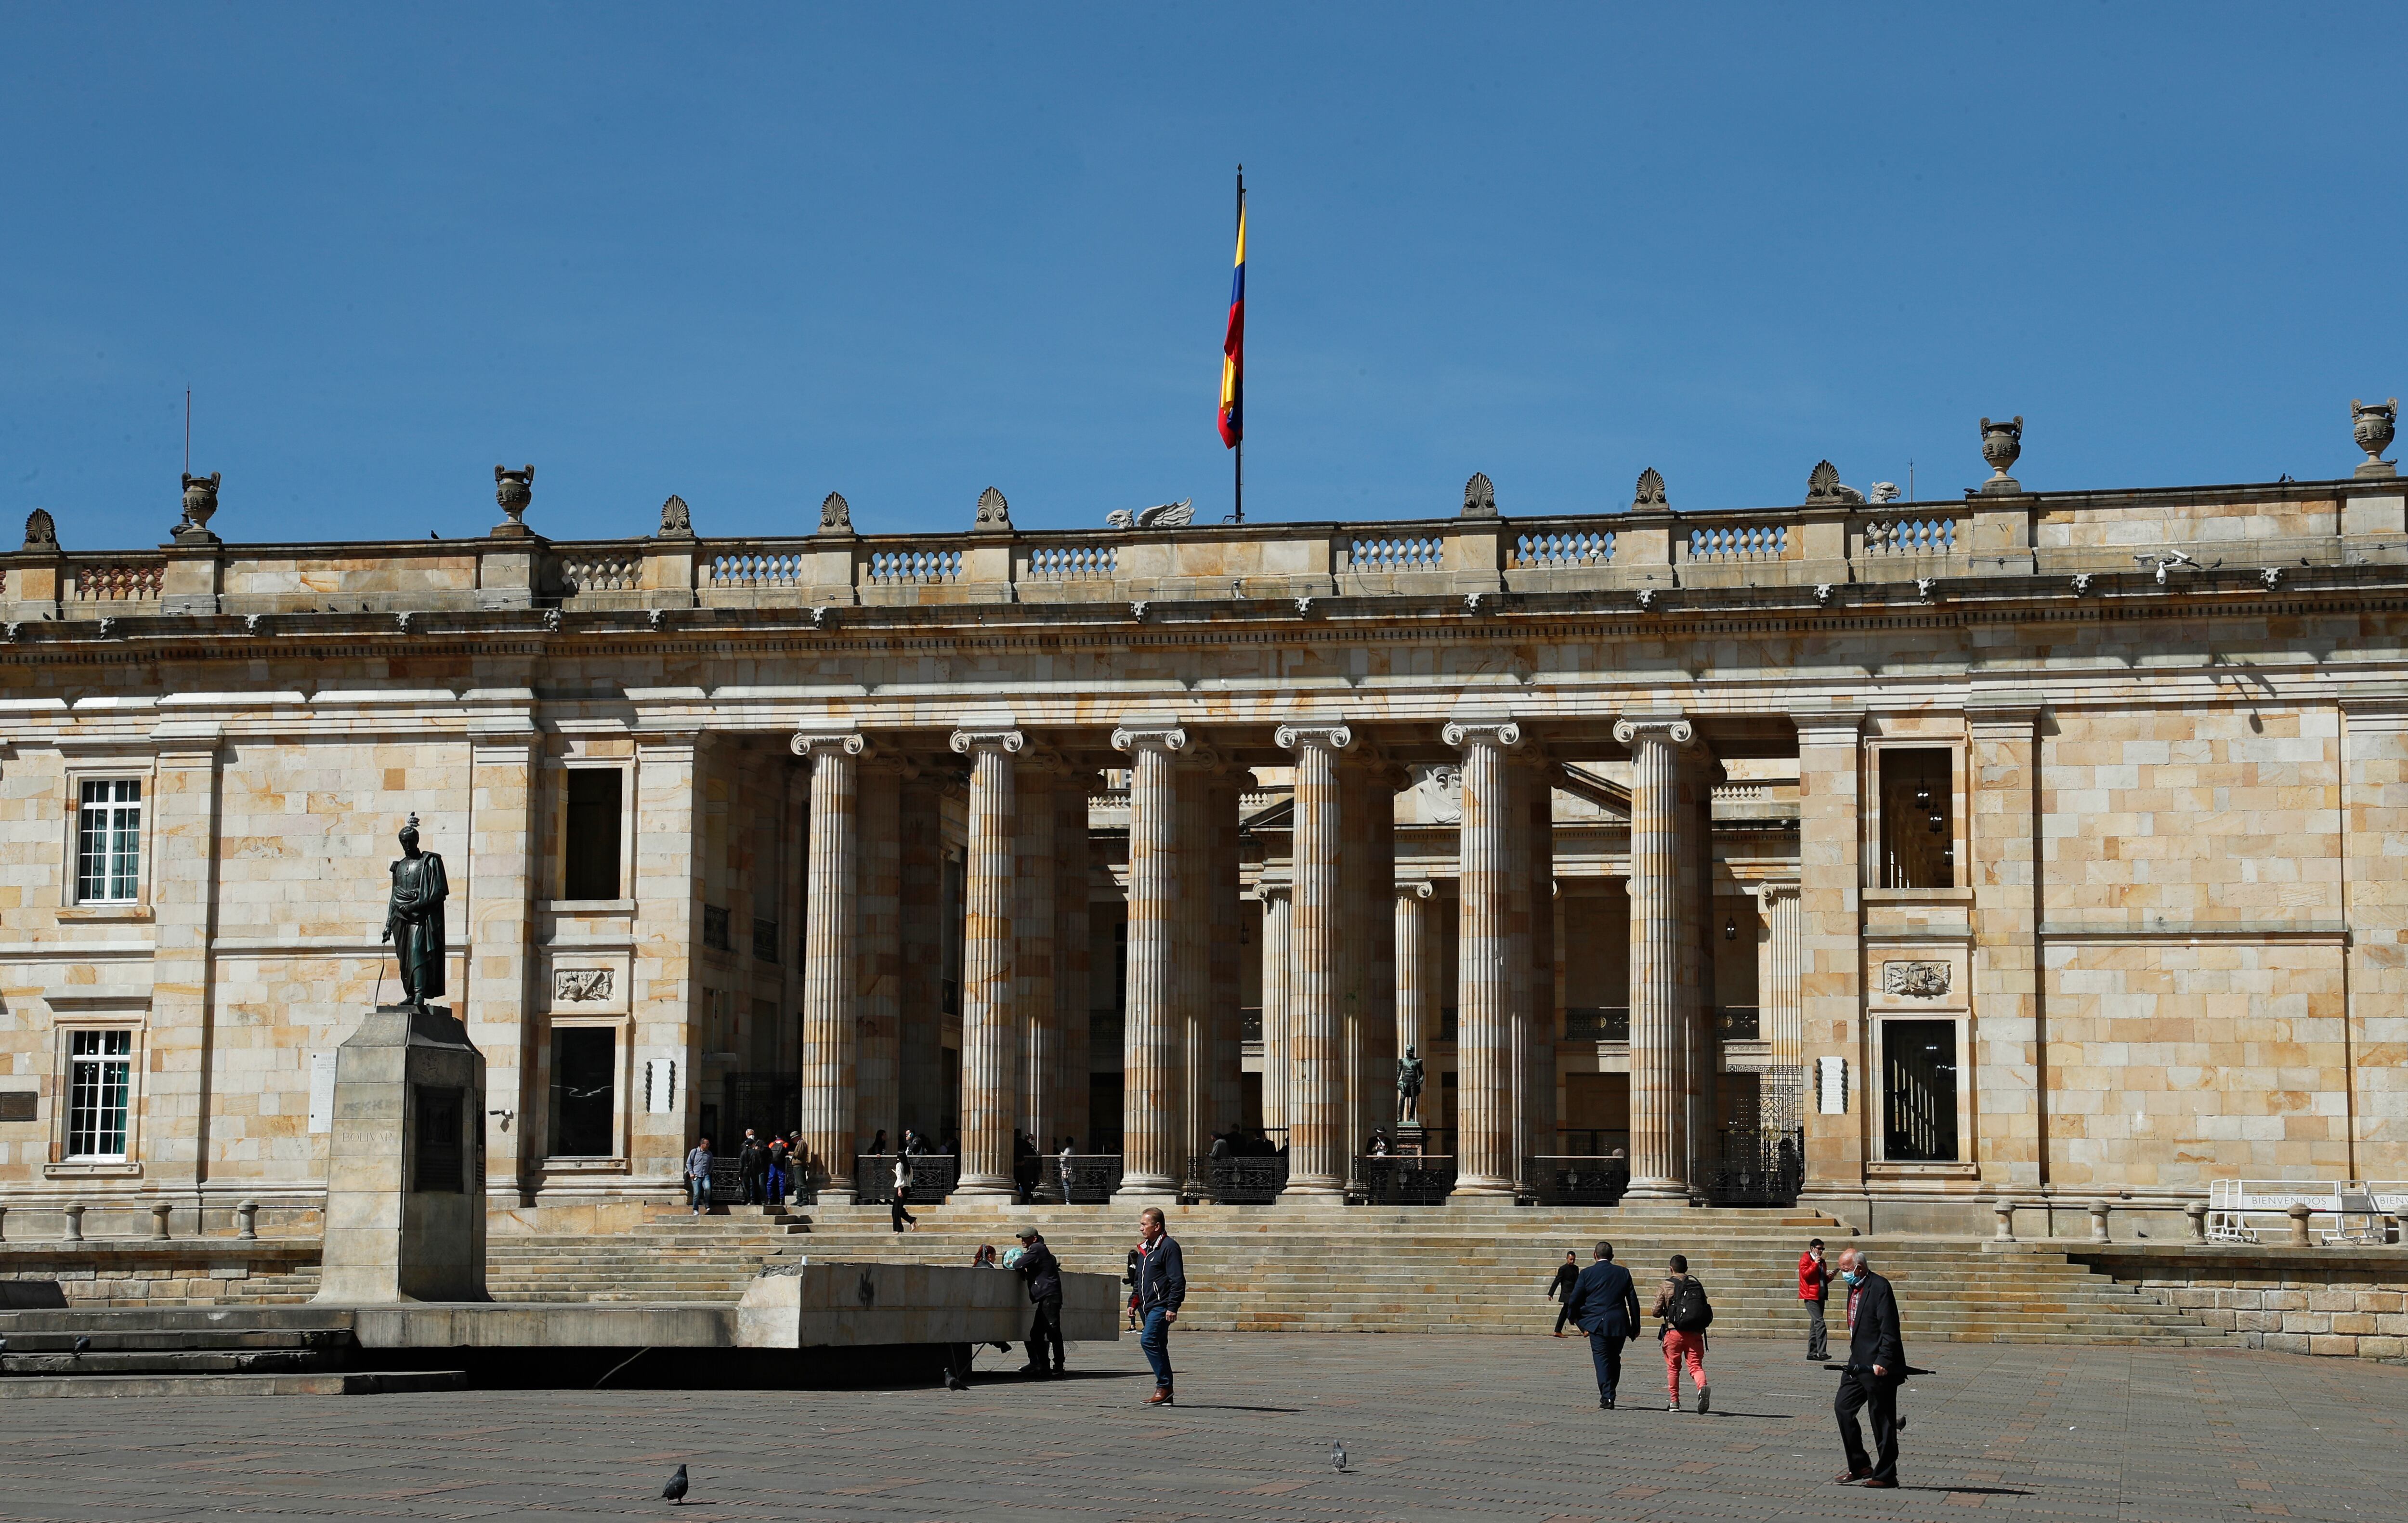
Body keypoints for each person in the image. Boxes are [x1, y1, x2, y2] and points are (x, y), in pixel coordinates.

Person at [1832, 1247, 1906, 1488]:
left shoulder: (1880, 1287)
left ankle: (1886, 1475)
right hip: (1857, 1362)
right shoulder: (1854, 1287)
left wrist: (1884, 1360)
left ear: (1859, 1268)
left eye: (1845, 1270)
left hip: (1877, 1365)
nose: (1843, 1274)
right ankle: (1860, 1465)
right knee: (1843, 1408)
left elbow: (1890, 1328)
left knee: (1881, 1419)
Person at [1561, 1241, 1642, 1409]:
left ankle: (1608, 1396)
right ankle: (1610, 1391)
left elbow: (1575, 1298)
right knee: (1615, 1359)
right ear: (1612, 1257)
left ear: (1595, 1255)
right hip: (1619, 1323)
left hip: (1596, 1323)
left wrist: (1573, 1317)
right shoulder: (1623, 1273)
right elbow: (1633, 1300)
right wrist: (1636, 1325)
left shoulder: (1587, 1273)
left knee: (1601, 1359)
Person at [1134, 1205, 1185, 1405]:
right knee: (1159, 1345)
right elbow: (1139, 1278)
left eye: (1144, 1224)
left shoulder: (1169, 1247)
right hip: (1146, 1307)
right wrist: (1134, 1301)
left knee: (1148, 1341)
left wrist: (1173, 1306)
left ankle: (1163, 1386)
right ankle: (1167, 1392)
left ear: (1157, 1226)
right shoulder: (1145, 1249)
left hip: (1161, 1305)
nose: (1141, 1228)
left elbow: (1177, 1280)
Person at [1652, 1253, 1713, 1414]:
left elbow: (1655, 1311)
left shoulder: (1666, 1285)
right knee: (1696, 1366)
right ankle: (1702, 1388)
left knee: (1673, 1367)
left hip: (1674, 1332)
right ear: (1686, 1269)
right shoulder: (1696, 1285)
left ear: (1671, 1269)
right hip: (1694, 1332)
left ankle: (1674, 1403)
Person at [1014, 1226, 1065, 1377]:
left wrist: (1024, 1268)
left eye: (1025, 1238)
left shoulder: (1036, 1248)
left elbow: (1017, 1264)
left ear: (1034, 1238)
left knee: (1052, 1332)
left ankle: (1055, 1366)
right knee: (1039, 1333)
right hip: (1048, 1296)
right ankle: (1047, 1365)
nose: (1022, 1240)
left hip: (1049, 1296)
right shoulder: (1040, 1249)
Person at [1798, 1237, 1832, 1361]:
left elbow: (1821, 1280)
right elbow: (1806, 1275)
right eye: (1819, 1248)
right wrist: (1814, 1264)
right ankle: (1822, 1352)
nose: (1821, 1251)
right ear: (1812, 1248)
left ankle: (1812, 1353)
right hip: (1810, 1297)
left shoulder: (1822, 1262)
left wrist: (1830, 1277)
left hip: (1820, 1295)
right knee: (1820, 1323)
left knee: (1815, 1326)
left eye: (1823, 1249)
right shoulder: (1806, 1260)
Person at [1547, 1251, 1581, 1338]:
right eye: (1571, 1259)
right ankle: (1583, 1329)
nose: (1572, 1261)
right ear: (1567, 1259)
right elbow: (1557, 1281)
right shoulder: (1563, 1269)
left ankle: (1558, 1331)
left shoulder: (1576, 1268)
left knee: (1565, 1312)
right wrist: (1551, 1293)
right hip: (1566, 1293)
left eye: (1574, 1259)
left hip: (1573, 1293)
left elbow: (1577, 1281)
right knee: (1572, 1310)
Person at [684, 1135, 713, 1215]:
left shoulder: (709, 1153)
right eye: (707, 1144)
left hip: (705, 1175)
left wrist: (709, 1171)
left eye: (708, 1144)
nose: (708, 1145)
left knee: (708, 1189)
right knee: (697, 1192)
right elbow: (689, 1162)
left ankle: (706, 1202)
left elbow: (711, 1163)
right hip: (696, 1175)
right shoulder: (695, 1152)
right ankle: (695, 1209)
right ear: (702, 1144)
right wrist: (691, 1173)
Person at [737, 1128, 766, 1206]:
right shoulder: (755, 1153)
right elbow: (759, 1162)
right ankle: (754, 1200)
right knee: (753, 1185)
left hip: (746, 1171)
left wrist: (740, 1174)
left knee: (747, 1186)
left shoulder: (744, 1152)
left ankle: (749, 1200)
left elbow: (741, 1164)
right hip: (754, 1171)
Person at [890, 1154, 917, 1233]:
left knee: (896, 1210)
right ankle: (912, 1221)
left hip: (901, 1188)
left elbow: (900, 1178)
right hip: (907, 1188)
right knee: (898, 1209)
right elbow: (911, 1178)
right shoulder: (909, 1166)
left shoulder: (899, 1165)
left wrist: (899, 1189)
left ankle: (898, 1229)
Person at [764, 1134, 791, 1207]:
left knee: (770, 1182)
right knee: (782, 1182)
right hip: (781, 1165)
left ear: (776, 1136)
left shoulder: (772, 1144)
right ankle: (782, 1199)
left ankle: (770, 1199)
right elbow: (787, 1153)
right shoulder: (785, 1144)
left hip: (773, 1165)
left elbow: (768, 1153)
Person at [1124, 1246, 1143, 1331]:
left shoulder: (1132, 1267)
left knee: (1132, 1306)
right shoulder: (1139, 1265)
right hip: (1139, 1288)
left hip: (1137, 1289)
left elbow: (1132, 1279)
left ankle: (1133, 1326)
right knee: (1138, 1307)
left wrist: (1125, 1281)